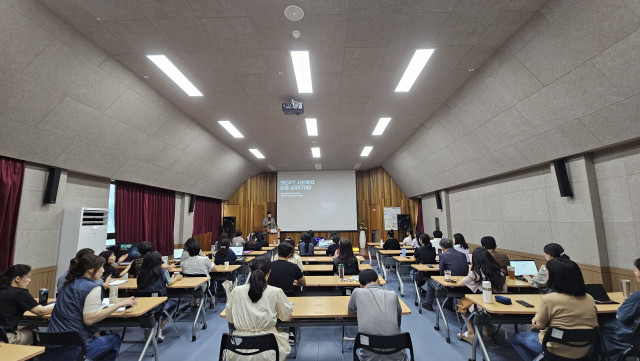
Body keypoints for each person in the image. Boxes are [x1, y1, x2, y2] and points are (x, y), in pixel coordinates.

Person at [48, 255, 136, 361]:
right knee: (115, 339)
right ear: (90, 269)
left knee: (98, 336)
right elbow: (89, 320)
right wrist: (119, 304)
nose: (103, 270)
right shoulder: (93, 287)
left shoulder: (68, 284)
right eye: (101, 267)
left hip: (51, 345)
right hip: (75, 347)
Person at [510, 258, 597, 361]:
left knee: (515, 338)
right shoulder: (589, 298)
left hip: (554, 347)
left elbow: (539, 324)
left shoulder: (549, 299)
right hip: (583, 349)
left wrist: (535, 321)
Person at [225, 258, 292, 361]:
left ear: (250, 272)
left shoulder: (236, 291)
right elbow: (286, 317)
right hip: (267, 348)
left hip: (238, 348)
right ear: (269, 273)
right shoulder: (275, 292)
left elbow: (230, 319)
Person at [348, 269, 403, 361]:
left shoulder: (357, 292)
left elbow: (350, 312)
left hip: (369, 354)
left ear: (361, 285)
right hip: (395, 353)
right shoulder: (393, 295)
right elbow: (398, 315)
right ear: (378, 280)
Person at [458, 248, 507, 343]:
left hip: (483, 306)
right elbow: (504, 289)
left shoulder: (476, 273)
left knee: (462, 305)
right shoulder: (500, 271)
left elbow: (462, 283)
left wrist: (470, 271)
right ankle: (486, 331)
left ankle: (471, 333)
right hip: (500, 304)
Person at [599, 258, 640, 361]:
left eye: (635, 270)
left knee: (603, 327)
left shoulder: (637, 297)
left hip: (632, 336)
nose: (634, 272)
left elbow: (621, 317)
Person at [0, 264, 53, 345]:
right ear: (17, 279)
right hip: (6, 338)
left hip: (2, 333)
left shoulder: (2, 288)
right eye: (28, 277)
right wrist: (58, 304)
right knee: (32, 329)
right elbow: (41, 311)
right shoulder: (20, 293)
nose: (30, 280)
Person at [137, 251, 182, 342]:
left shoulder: (141, 274)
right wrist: (176, 278)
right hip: (158, 305)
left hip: (142, 306)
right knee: (173, 304)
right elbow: (169, 283)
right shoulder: (163, 271)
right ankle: (159, 330)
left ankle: (149, 328)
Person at [422, 238, 468, 311]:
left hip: (450, 286)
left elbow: (441, 271)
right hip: (463, 285)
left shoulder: (443, 255)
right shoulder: (462, 254)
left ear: (442, 247)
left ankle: (428, 304)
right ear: (452, 245)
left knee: (430, 281)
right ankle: (448, 303)